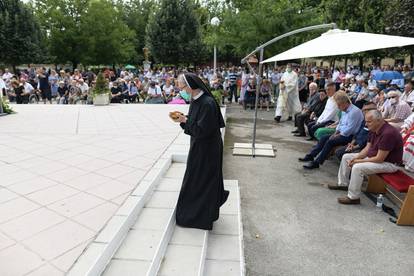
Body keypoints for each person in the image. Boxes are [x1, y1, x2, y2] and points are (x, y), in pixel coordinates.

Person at [171, 72, 229, 230]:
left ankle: (200, 217)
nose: (180, 90)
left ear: (190, 86)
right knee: (196, 178)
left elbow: (202, 130)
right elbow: (196, 122)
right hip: (199, 146)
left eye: (181, 86)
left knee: (202, 179)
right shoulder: (196, 100)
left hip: (208, 149)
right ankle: (193, 213)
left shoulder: (207, 103)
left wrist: (184, 121)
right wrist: (185, 119)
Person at [330, 110, 403, 205]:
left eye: (369, 121)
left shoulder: (388, 133)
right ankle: (343, 184)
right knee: (346, 157)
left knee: (357, 168)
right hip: (376, 158)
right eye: (366, 121)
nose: (366, 124)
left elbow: (379, 159)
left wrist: (357, 161)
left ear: (379, 120)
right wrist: (355, 158)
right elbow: (367, 149)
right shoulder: (374, 128)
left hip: (389, 164)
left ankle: (353, 197)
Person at [299, 91, 364, 169]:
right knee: (324, 138)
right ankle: (311, 156)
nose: (338, 107)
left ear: (344, 102)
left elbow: (350, 129)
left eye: (339, 105)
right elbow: (341, 123)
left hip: (351, 136)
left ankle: (317, 162)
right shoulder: (345, 109)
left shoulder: (355, 112)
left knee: (330, 141)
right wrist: (336, 132)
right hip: (342, 133)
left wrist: (337, 135)